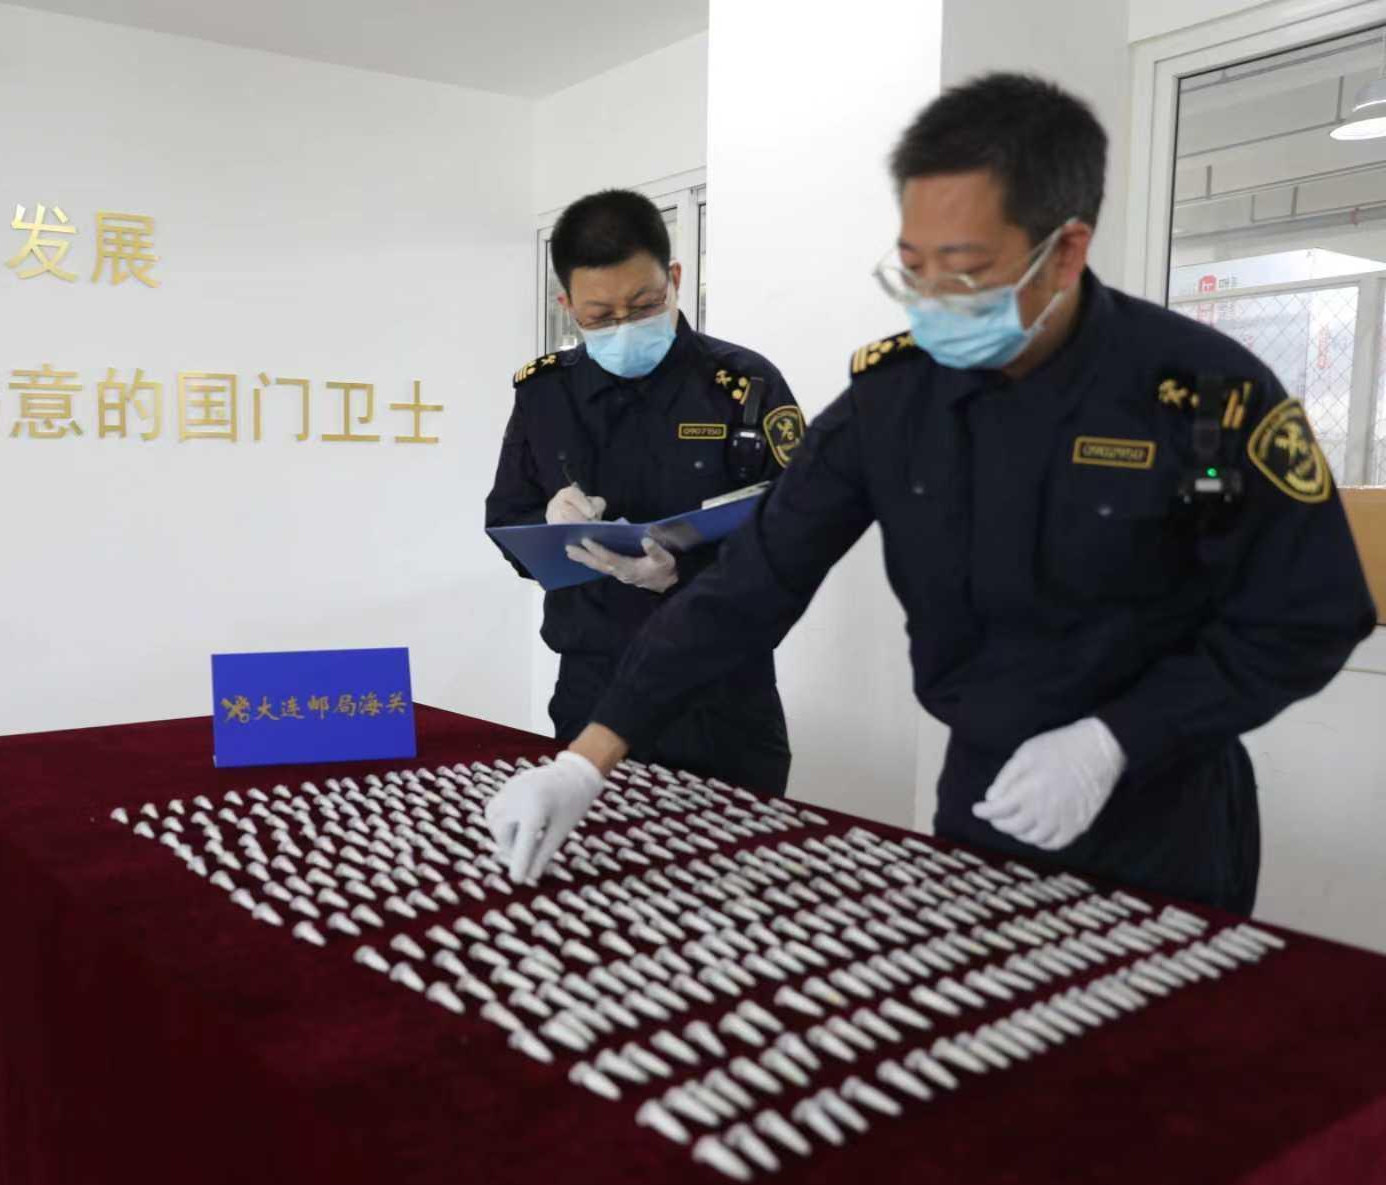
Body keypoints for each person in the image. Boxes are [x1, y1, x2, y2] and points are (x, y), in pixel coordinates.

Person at [485, 74, 1377, 913]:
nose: (933, 301)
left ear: (1066, 250)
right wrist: (588, 758)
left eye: (965, 269)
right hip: (981, 795)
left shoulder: (1203, 394)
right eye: (914, 267)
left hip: (1166, 805)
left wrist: (1119, 739)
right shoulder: (896, 400)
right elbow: (752, 582)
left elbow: (1309, 613)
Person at [486, 189, 805, 793]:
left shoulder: (745, 384)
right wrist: (548, 520)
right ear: (567, 305)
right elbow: (505, 519)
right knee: (595, 850)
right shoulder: (545, 394)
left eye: (643, 305)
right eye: (599, 316)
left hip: (721, 692)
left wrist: (683, 577)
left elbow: (798, 535)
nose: (624, 327)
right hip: (592, 685)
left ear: (674, 279)